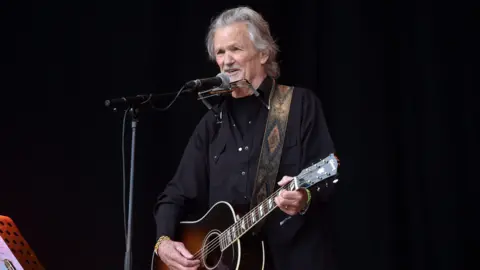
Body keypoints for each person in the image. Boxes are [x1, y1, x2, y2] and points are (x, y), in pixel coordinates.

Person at [153, 6, 337, 270]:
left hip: (293, 258)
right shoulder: (211, 124)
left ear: (263, 53)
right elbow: (174, 195)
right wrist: (163, 242)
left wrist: (304, 197)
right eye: (220, 52)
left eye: (235, 49)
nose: (227, 60)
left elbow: (328, 176)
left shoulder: (298, 105)